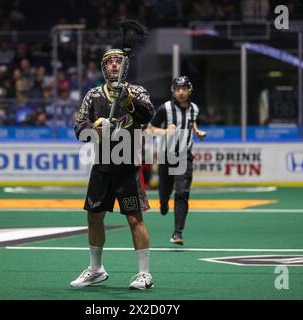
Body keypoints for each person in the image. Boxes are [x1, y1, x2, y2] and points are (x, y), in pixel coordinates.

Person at [72, 48, 155, 290]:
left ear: (125, 67)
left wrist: (128, 100)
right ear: (103, 68)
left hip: (127, 166)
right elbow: (79, 127)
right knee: (94, 216)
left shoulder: (136, 91)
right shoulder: (94, 94)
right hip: (101, 166)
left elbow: (147, 114)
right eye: (109, 62)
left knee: (134, 218)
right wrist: (95, 127)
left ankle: (144, 274)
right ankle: (96, 269)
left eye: (119, 61)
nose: (114, 66)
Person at [147, 76, 206, 246]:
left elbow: (191, 122)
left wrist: (197, 131)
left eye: (184, 88)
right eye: (178, 89)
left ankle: (177, 233)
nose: (181, 92)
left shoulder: (194, 108)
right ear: (173, 91)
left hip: (184, 156)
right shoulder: (165, 108)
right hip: (166, 155)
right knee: (165, 189)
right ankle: (164, 202)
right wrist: (165, 131)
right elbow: (150, 129)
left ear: (190, 90)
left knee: (182, 192)